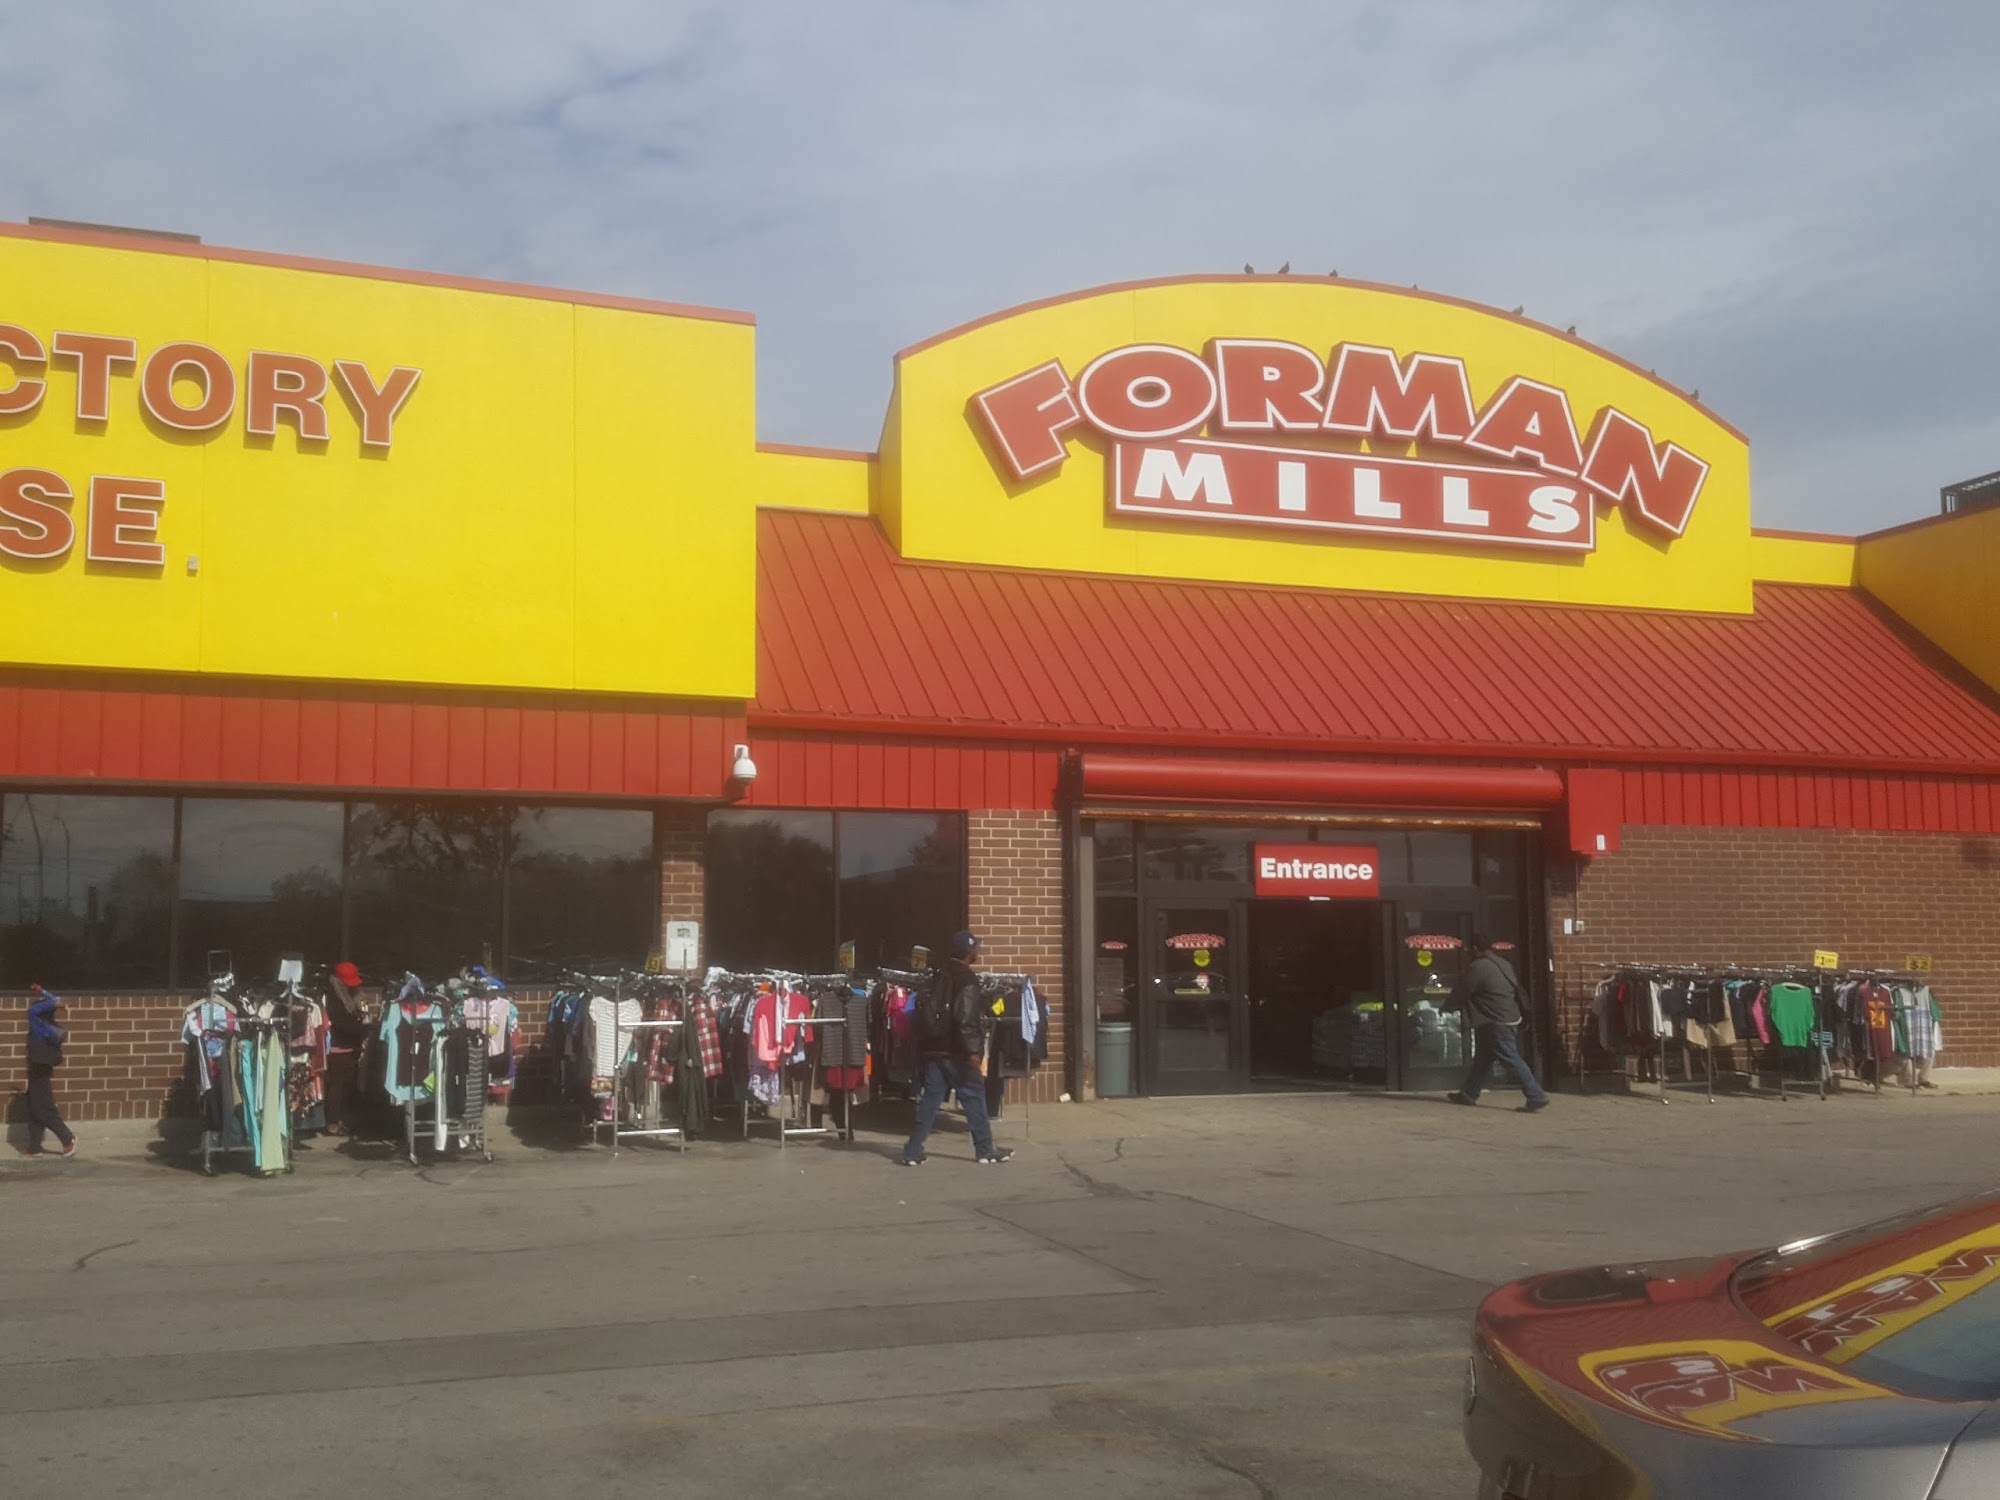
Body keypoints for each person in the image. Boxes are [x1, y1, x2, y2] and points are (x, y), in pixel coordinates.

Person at [900, 930, 1014, 1166]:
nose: (978, 950)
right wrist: (973, 1051)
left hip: (934, 1049)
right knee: (974, 1098)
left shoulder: (939, 973)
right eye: (976, 947)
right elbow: (965, 1017)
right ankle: (985, 1149)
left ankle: (913, 1150)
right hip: (957, 1051)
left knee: (930, 1100)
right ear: (969, 951)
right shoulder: (966, 979)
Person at [1447, 936, 1549, 1113]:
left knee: (1511, 1058)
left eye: (1468, 949)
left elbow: (1464, 990)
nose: (1466, 953)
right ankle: (1468, 1093)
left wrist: (1448, 1006)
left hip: (1494, 1021)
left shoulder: (1478, 967)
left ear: (1476, 948)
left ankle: (1535, 1096)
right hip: (1507, 1018)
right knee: (1483, 1059)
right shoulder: (1504, 964)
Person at [22, 985, 77, 1157]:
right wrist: (43, 992)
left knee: (42, 1107)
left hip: (39, 1064)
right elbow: (52, 1000)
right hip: (38, 1064)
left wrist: (55, 1003)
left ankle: (67, 1138)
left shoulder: (38, 1020)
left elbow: (36, 1008)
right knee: (33, 1105)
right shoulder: (46, 1023)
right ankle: (35, 1146)